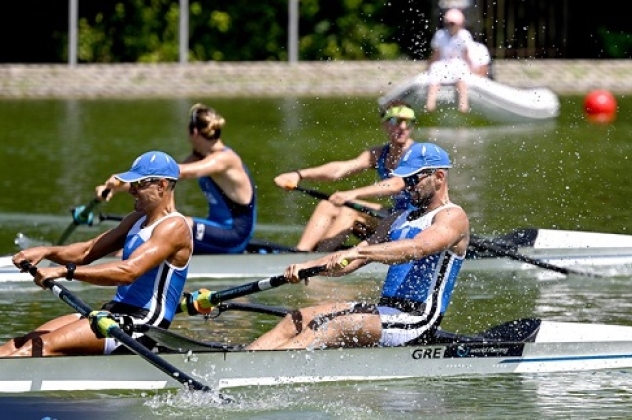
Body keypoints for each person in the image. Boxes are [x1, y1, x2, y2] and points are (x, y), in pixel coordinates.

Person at [245, 142, 469, 350]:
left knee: (333, 325)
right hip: (386, 312)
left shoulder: (452, 216)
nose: (407, 187)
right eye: (405, 180)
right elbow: (350, 263)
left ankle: (263, 370)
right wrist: (307, 267)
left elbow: (415, 248)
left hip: (417, 319)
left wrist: (359, 251)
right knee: (297, 318)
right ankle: (241, 363)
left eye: (413, 179)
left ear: (439, 177)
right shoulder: (397, 218)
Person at [1, 151, 193, 357]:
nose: (131, 191)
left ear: (161, 186)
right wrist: (46, 251)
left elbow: (128, 271)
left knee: (36, 349)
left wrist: (65, 272)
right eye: (131, 184)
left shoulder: (174, 227)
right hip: (113, 314)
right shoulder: (136, 219)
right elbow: (87, 250)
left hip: (143, 326)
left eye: (138, 184)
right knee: (20, 343)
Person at [97, 103, 257, 254]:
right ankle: (117, 255)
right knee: (149, 224)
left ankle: (129, 260)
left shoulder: (225, 159)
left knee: (176, 224)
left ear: (194, 132)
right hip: (215, 228)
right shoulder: (200, 156)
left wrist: (120, 179)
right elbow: (161, 180)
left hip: (234, 235)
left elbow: (179, 172)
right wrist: (118, 188)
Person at [273, 103, 417, 252]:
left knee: (349, 210)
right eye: (396, 121)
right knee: (327, 204)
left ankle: (319, 258)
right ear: (385, 124)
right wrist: (299, 174)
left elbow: (396, 184)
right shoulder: (379, 153)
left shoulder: (417, 153)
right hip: (393, 215)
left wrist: (352, 194)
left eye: (409, 122)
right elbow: (339, 169)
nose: (403, 127)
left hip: (415, 222)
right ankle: (300, 252)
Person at [425, 8, 475, 113]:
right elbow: (436, 55)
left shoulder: (464, 35)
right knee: (435, 72)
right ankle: (430, 106)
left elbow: (466, 55)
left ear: (460, 24)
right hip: (442, 64)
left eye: (453, 24)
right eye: (450, 23)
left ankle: (463, 106)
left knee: (461, 75)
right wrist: (428, 67)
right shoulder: (440, 35)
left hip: (458, 64)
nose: (451, 26)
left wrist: (472, 68)